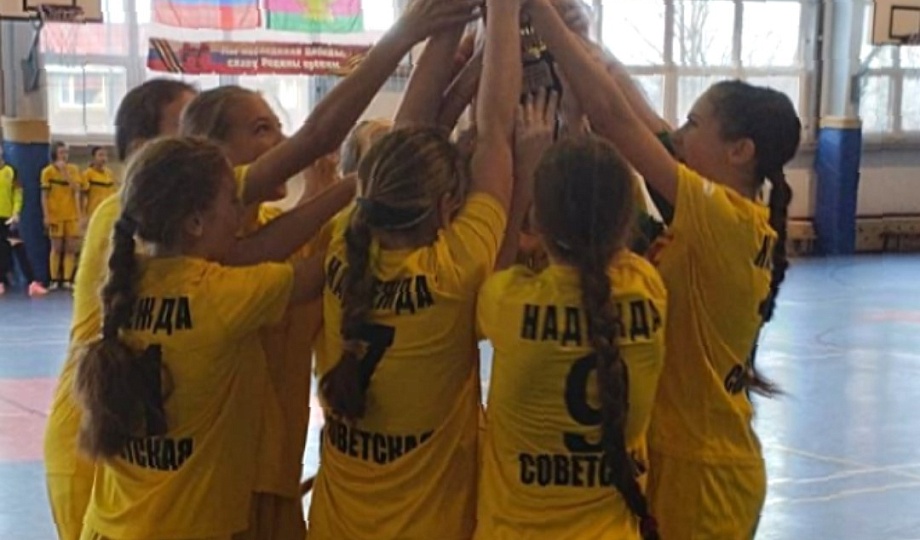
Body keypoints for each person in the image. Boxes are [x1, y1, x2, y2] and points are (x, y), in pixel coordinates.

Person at [527, 2, 802, 537]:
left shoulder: (727, 219)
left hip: (705, 478)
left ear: (739, 151)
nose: (677, 133)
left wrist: (541, 14)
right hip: (682, 460)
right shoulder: (716, 219)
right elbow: (644, 126)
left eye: (693, 124)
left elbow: (618, 121)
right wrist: (588, 45)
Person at [308, 0, 518, 536]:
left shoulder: (345, 245)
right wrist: (503, 13)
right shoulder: (453, 271)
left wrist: (462, 22)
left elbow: (408, 139)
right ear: (448, 209)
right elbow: (495, 131)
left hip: (335, 525)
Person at [74, 136, 325, 540]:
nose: (240, 212)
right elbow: (318, 273)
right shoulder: (217, 294)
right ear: (194, 223)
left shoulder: (124, 280)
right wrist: (357, 195)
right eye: (232, 202)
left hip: (107, 527)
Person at [476, 94, 666, 539]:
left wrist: (527, 172)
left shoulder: (510, 301)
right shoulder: (649, 289)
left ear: (536, 221)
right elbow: (601, 210)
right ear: (627, 218)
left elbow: (495, 263)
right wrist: (579, 135)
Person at [44, 78, 198, 540]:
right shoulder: (129, 215)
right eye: (188, 128)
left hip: (132, 442)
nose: (202, 143)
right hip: (91, 443)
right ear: (143, 149)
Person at [0, 148, 47, 296]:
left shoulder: (11, 171)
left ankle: (32, 283)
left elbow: (18, 193)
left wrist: (16, 213)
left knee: (19, 247)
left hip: (8, 218)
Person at [40, 141, 85, 289]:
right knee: (56, 247)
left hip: (71, 214)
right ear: (54, 154)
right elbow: (44, 196)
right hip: (55, 214)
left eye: (66, 152)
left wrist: (65, 173)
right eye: (61, 152)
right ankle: (54, 279)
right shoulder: (47, 172)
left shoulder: (74, 169)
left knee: (70, 248)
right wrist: (46, 215)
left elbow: (77, 189)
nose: (64, 155)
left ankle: (67, 280)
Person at [82, 147, 117, 221]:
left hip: (108, 213)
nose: (103, 158)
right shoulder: (88, 174)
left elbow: (113, 193)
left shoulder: (109, 173)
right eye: (100, 155)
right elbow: (82, 195)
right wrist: (83, 215)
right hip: (94, 214)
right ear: (93, 158)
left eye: (105, 155)